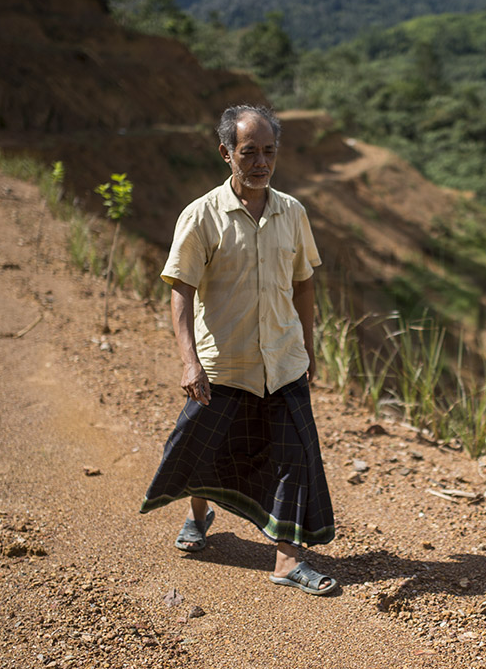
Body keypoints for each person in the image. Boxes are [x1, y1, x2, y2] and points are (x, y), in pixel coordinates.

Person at [139, 104, 337, 596]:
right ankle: (199, 514)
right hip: (224, 364)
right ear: (226, 153)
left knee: (296, 460)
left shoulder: (292, 212)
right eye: (249, 152)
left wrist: (308, 351)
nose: (261, 163)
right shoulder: (201, 215)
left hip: (284, 363)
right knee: (208, 447)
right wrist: (190, 361)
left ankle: (288, 562)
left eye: (269, 152)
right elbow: (180, 289)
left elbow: (305, 285)